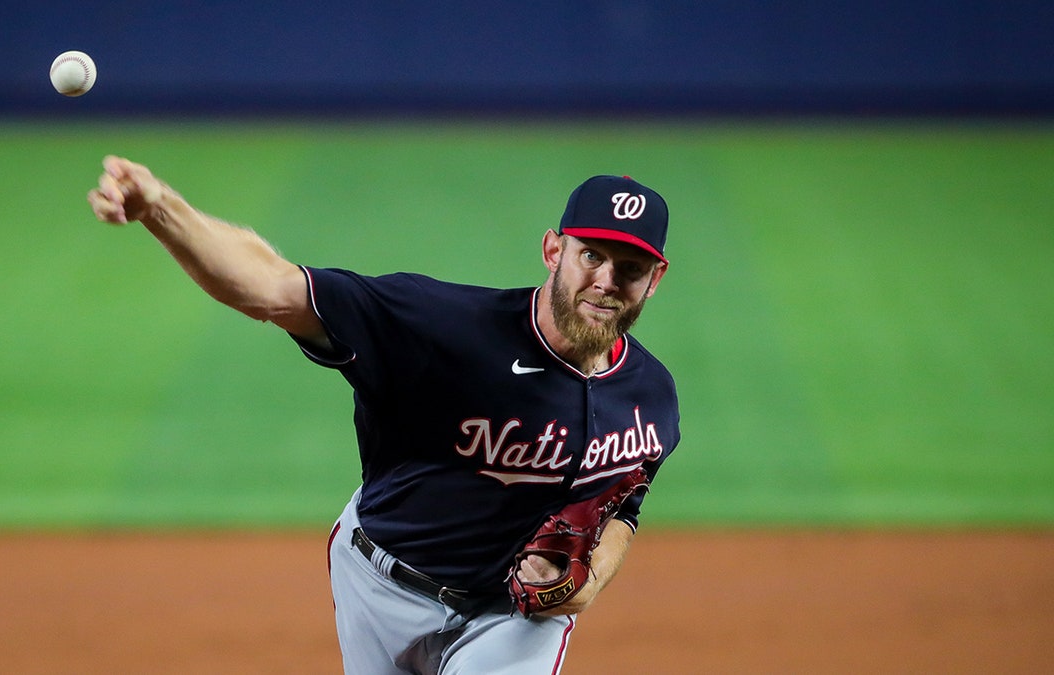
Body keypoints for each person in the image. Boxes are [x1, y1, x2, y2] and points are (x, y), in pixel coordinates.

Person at [87, 156, 681, 674]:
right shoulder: (442, 327)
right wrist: (161, 208)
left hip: (512, 616)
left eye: (629, 268)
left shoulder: (652, 398)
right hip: (377, 582)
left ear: (654, 279)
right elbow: (270, 287)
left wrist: (592, 578)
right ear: (554, 250)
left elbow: (625, 500)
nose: (605, 281)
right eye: (591, 256)